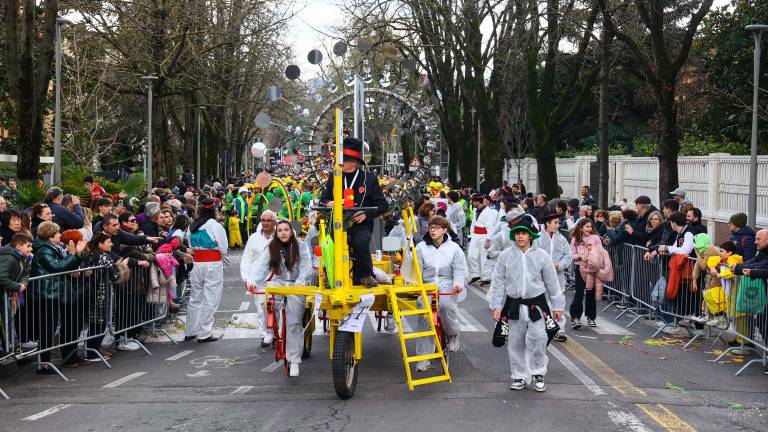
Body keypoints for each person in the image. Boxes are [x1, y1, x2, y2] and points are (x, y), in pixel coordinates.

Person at [489, 218, 564, 392]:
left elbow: (552, 283)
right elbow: (498, 282)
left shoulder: (542, 256)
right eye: (517, 233)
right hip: (513, 304)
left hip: (536, 305)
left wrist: (557, 306)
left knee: (538, 338)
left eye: (524, 233)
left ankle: (538, 373)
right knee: (515, 341)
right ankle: (519, 375)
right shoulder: (505, 256)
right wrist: (496, 306)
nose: (520, 236)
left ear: (531, 235)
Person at [319, 137, 388, 288]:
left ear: (355, 162)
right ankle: (330, 275)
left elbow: (383, 205)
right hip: (337, 222)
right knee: (329, 244)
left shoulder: (368, 179)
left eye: (345, 159)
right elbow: (322, 200)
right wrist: (328, 203)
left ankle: (365, 274)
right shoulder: (334, 177)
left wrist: (365, 214)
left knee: (361, 242)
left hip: (360, 224)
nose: (340, 163)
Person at [247, 220, 312, 377]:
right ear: (277, 233)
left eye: (286, 230)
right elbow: (262, 266)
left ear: (291, 231)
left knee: (293, 322)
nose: (283, 233)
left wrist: (300, 282)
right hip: (279, 283)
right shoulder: (272, 247)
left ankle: (294, 360)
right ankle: (270, 332)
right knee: (266, 304)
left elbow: (306, 266)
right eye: (280, 230)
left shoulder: (301, 246)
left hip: (297, 285)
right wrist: (252, 280)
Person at [29, 221, 87, 372]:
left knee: (53, 327)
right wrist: (73, 254)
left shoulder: (55, 247)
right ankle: (44, 363)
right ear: (50, 236)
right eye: (57, 233)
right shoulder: (44, 250)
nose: (60, 235)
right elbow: (58, 267)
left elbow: (67, 264)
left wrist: (77, 254)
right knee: (47, 329)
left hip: (56, 292)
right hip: (46, 294)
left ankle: (59, 359)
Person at [414, 216, 467, 371]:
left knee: (445, 305)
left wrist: (458, 283)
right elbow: (416, 270)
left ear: (445, 230)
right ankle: (423, 359)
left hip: (447, 283)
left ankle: (453, 334)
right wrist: (416, 284)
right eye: (431, 228)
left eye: (437, 228)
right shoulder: (421, 247)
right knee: (424, 314)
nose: (433, 231)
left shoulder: (454, 248)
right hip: (427, 284)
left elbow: (460, 269)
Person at [186, 199, 228, 343]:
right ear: (214, 210)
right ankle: (204, 332)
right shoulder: (215, 225)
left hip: (197, 263)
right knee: (211, 298)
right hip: (212, 263)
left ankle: (190, 331)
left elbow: (190, 246)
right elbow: (223, 247)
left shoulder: (192, 226)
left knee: (195, 298)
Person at [81, 232, 122, 361]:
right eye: (109, 242)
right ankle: (93, 353)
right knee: (100, 323)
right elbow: (115, 276)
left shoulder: (90, 255)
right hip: (101, 294)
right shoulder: (105, 257)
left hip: (90, 292)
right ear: (100, 244)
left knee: (94, 323)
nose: (112, 244)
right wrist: (122, 266)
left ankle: (93, 351)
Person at [240, 210, 277, 346]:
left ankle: (275, 333)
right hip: (257, 280)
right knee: (261, 307)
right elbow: (246, 259)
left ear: (274, 222)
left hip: (275, 278)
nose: (266, 223)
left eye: (269, 220)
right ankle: (264, 334)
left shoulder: (279, 236)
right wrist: (246, 279)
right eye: (263, 220)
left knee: (275, 307)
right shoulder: (254, 238)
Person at [536, 211, 571, 342]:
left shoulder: (561, 239)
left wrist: (559, 265)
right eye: (555, 223)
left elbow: (568, 256)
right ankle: (543, 327)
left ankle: (559, 329)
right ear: (547, 223)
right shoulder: (537, 238)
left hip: (558, 276)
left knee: (559, 300)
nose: (557, 225)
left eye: (558, 223)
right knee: (543, 301)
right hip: (541, 276)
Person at [0, 233, 32, 355]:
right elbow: (1, 277)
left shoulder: (22, 257)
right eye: (28, 246)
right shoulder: (8, 258)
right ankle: (8, 348)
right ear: (18, 246)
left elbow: (26, 272)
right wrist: (17, 286)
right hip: (3, 294)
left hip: (6, 295)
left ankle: (13, 347)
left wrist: (23, 283)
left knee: (8, 321)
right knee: (4, 322)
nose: (31, 249)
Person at [569, 218, 600, 329]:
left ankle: (591, 317)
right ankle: (575, 317)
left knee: (591, 292)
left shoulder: (596, 238)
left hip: (592, 268)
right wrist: (579, 256)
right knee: (579, 292)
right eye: (587, 226)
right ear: (581, 227)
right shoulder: (575, 239)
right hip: (580, 267)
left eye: (590, 227)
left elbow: (600, 252)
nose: (589, 229)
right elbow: (571, 254)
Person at [467, 193, 498, 286]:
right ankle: (475, 275)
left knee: (484, 257)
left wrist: (488, 240)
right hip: (475, 235)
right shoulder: (475, 210)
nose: (472, 202)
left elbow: (491, 226)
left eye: (473, 201)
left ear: (477, 202)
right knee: (471, 256)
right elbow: (473, 224)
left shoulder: (489, 212)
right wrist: (471, 235)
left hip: (484, 236)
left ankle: (486, 278)